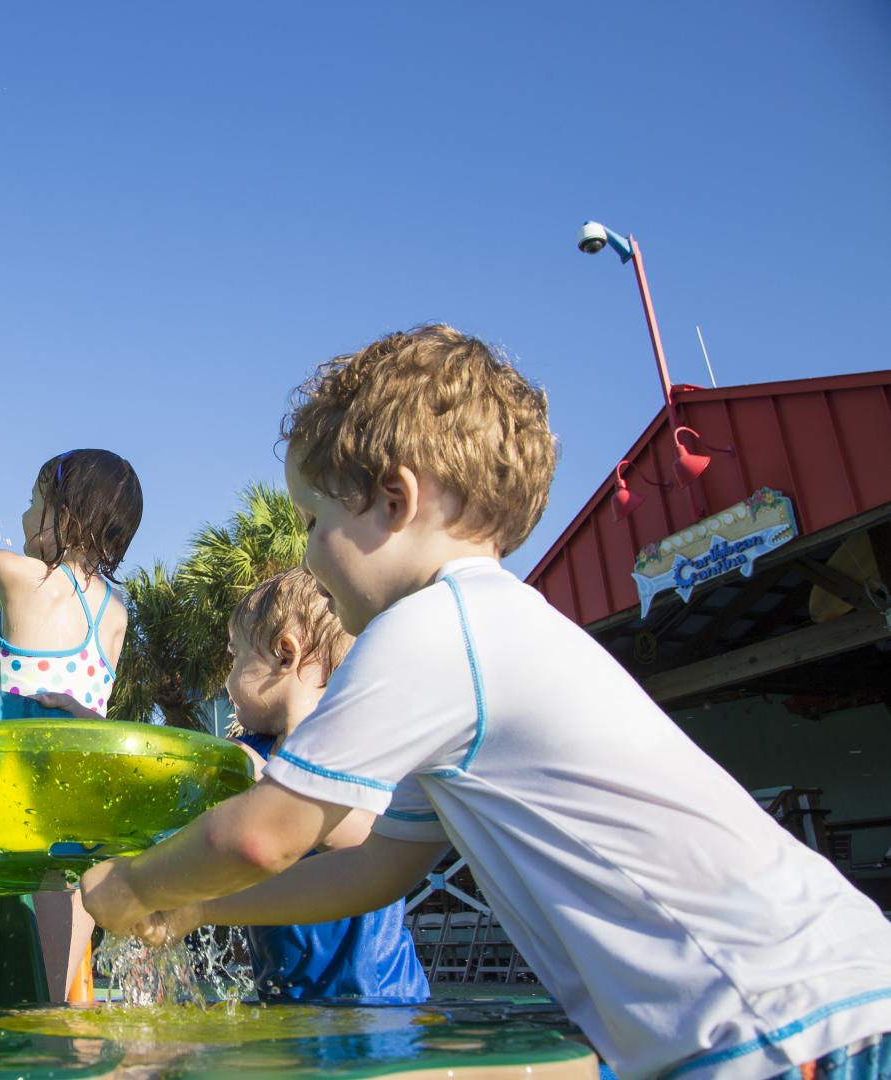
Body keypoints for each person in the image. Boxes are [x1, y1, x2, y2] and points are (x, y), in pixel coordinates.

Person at [81, 325, 891, 1079]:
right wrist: (205, 909)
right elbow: (374, 871)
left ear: (392, 503)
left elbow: (262, 837)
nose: (309, 548)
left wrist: (145, 883)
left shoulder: (433, 631)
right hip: (808, 1003)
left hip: (781, 1024)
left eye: (314, 517)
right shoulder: (488, 632)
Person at [0, 448, 143, 1003]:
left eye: (34, 504)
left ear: (65, 516)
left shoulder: (18, 576)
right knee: (70, 880)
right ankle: (68, 998)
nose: (26, 517)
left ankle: (48, 1010)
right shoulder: (115, 611)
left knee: (37, 881)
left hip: (23, 773)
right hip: (83, 778)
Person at [225, 568, 428, 1004]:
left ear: (284, 653)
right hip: (284, 999)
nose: (228, 679)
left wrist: (270, 782)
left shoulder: (355, 741)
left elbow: (364, 838)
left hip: (376, 997)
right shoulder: (252, 749)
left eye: (236, 656)